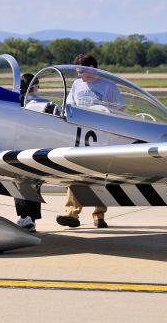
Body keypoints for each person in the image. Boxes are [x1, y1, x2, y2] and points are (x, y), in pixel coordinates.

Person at [56, 54, 123, 229]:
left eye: (83, 72)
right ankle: (72, 214)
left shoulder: (109, 86)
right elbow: (70, 106)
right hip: (79, 137)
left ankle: (99, 216)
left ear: (92, 68)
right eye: (78, 73)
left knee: (100, 177)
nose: (80, 76)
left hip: (102, 137)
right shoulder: (77, 85)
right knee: (75, 173)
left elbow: (119, 110)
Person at [14, 73, 42, 232]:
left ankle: (25, 218)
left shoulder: (17, 105)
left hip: (20, 149)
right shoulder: (46, 105)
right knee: (34, 184)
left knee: (19, 181)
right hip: (39, 151)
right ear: (35, 88)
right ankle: (30, 219)